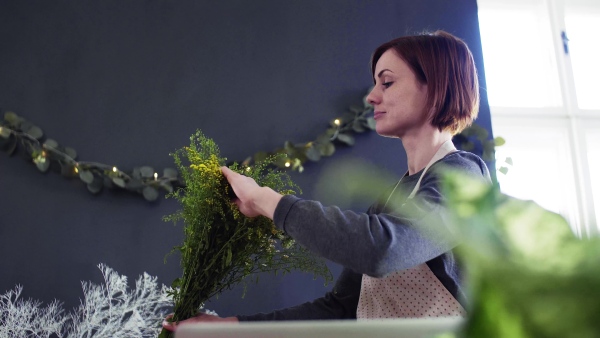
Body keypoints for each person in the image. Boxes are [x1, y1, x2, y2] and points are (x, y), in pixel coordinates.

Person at [162, 30, 491, 331]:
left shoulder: (464, 178)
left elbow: (382, 249)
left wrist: (263, 200)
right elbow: (344, 307)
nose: (372, 97)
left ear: (435, 86)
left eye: (387, 82)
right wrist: (229, 329)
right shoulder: (391, 199)